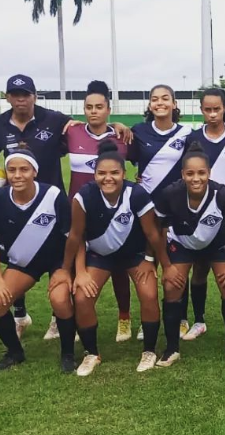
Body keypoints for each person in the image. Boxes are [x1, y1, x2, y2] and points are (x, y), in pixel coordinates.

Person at [0, 74, 129, 340]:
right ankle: (20, 315)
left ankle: (58, 317)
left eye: (25, 94)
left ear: (34, 96)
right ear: (7, 97)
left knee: (60, 258)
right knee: (17, 257)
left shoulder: (54, 120)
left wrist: (116, 123)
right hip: (15, 203)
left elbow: (88, 126)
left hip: (52, 204)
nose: (20, 99)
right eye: (15, 94)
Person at [60, 141, 166, 375]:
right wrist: (76, 271)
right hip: (100, 256)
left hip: (135, 256)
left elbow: (152, 234)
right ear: (94, 174)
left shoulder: (136, 194)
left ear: (124, 174)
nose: (108, 178)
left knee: (149, 294)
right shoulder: (84, 196)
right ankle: (91, 353)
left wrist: (158, 263)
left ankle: (149, 351)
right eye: (102, 173)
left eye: (114, 173)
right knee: (82, 298)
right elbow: (77, 236)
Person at [154, 143, 225, 366]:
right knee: (172, 286)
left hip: (216, 244)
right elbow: (159, 232)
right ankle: (171, 348)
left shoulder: (223, 195)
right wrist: (166, 266)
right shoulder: (171, 194)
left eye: (201, 173)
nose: (196, 178)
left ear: (209, 173)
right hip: (182, 244)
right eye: (190, 173)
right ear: (182, 174)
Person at [0, 147, 76, 373]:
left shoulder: (53, 195)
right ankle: (15, 352)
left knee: (60, 299)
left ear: (34, 171)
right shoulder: (0, 198)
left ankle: (68, 354)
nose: (17, 175)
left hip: (57, 260)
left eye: (24, 169)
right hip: (25, 263)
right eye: (11, 170)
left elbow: (73, 237)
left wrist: (65, 269)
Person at [61, 80, 133, 344]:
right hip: (78, 212)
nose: (94, 111)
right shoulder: (72, 132)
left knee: (118, 269)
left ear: (108, 109)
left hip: (113, 214)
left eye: (99, 107)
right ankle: (67, 317)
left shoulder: (122, 136)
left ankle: (124, 318)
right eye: (89, 107)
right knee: (70, 265)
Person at [181, 88, 225, 341]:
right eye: (207, 109)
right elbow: (186, 173)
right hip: (202, 214)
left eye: (217, 109)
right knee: (200, 268)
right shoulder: (193, 139)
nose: (212, 114)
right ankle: (199, 321)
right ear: (201, 110)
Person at [129, 84, 193, 341]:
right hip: (146, 208)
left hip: (177, 208)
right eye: (154, 99)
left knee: (177, 265)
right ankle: (149, 317)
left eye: (165, 98)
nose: (160, 103)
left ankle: (181, 317)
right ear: (149, 105)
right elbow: (128, 158)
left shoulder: (188, 134)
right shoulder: (139, 131)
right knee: (147, 263)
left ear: (174, 104)